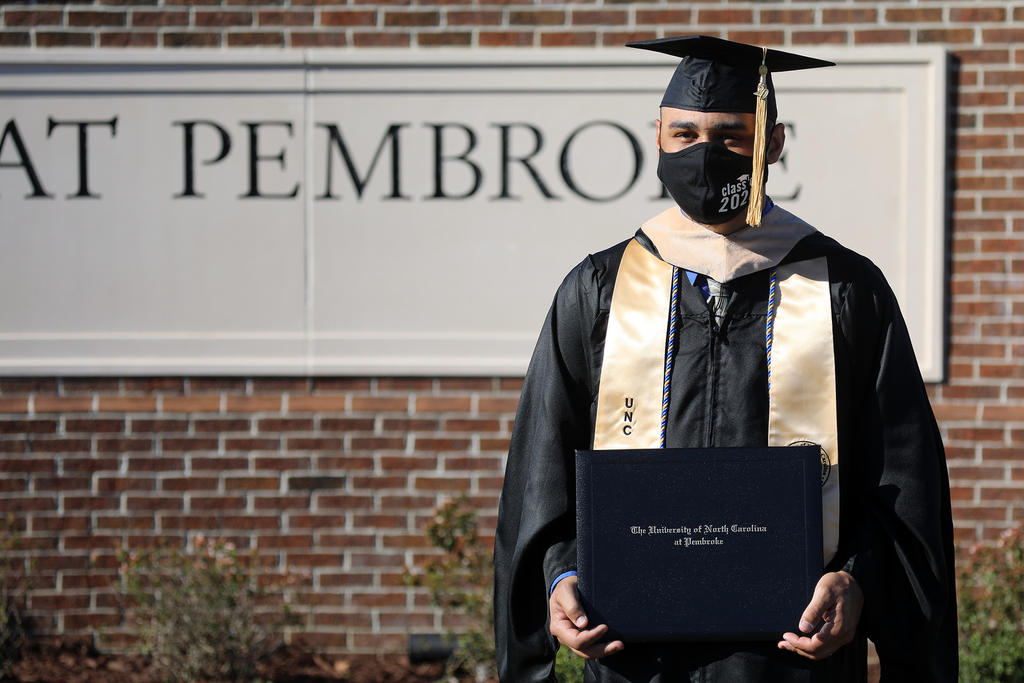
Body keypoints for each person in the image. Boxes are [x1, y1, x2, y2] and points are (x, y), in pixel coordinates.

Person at [493, 35, 957, 682]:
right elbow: (543, 469)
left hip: (793, 657)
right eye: (683, 133)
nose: (703, 154)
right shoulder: (598, 290)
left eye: (731, 137)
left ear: (773, 143)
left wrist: (855, 581)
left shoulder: (845, 289)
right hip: (634, 654)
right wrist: (562, 574)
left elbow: (903, 485)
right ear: (656, 136)